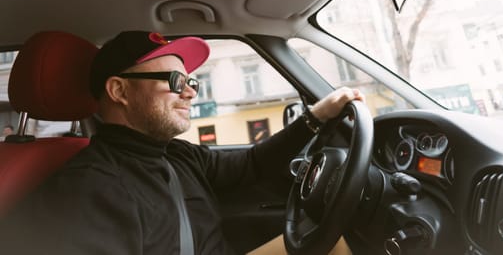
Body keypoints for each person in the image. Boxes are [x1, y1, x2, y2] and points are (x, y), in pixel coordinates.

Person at [0, 31, 364, 254]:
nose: (190, 91)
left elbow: (254, 164)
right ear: (119, 90)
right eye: (176, 80)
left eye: (193, 81)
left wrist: (316, 116)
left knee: (343, 243)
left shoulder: (175, 154)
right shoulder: (87, 190)